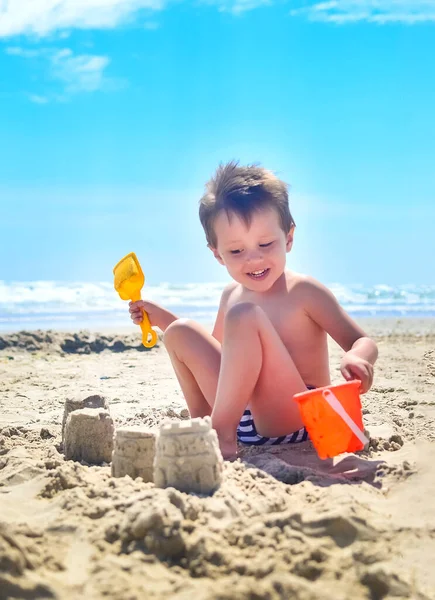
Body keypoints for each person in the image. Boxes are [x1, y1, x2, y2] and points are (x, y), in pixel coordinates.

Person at [129, 161, 378, 459]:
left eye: (265, 244)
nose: (253, 259)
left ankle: (219, 434)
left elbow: (362, 341)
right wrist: (163, 320)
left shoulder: (303, 291)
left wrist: (357, 357)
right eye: (236, 251)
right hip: (239, 418)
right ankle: (204, 425)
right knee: (180, 331)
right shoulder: (231, 296)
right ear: (217, 255)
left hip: (297, 419)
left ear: (288, 238)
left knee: (243, 316)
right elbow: (224, 359)